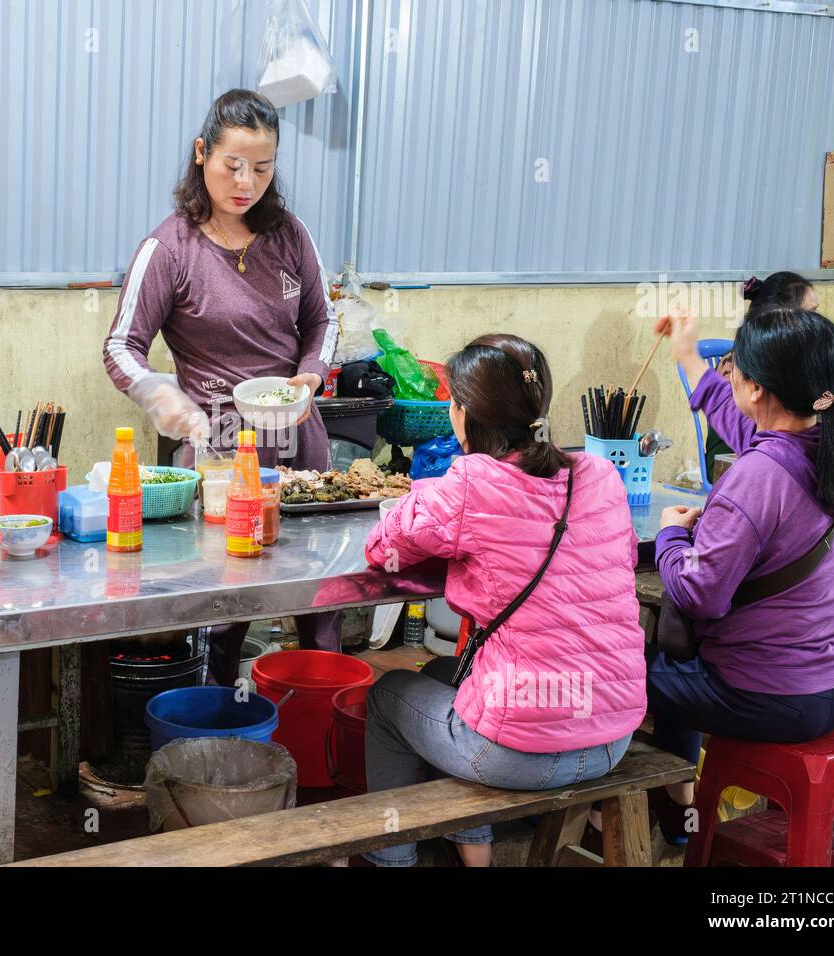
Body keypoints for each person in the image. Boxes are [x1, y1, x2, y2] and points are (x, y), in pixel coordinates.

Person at [360, 334, 646, 866]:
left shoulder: (470, 483)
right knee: (449, 674)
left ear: (464, 412)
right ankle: (474, 850)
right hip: (611, 738)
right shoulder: (600, 475)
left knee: (390, 692)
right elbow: (620, 556)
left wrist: (419, 495)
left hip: (520, 754)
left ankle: (391, 859)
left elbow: (383, 549)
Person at [102, 89, 340, 684]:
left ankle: (316, 727)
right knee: (223, 607)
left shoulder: (290, 235)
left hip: (299, 447)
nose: (246, 182)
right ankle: (214, 723)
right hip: (218, 450)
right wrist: (163, 397)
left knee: (318, 598)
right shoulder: (169, 247)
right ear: (201, 152)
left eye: (262, 168)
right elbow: (119, 346)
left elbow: (322, 319)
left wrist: (312, 371)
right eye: (233, 164)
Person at [646, 308, 834, 842]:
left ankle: (664, 816)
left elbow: (698, 595)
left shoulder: (758, 475)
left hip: (769, 698)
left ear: (759, 388)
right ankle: (682, 816)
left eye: (734, 369)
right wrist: (687, 356)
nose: (728, 377)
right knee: (679, 664)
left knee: (632, 674)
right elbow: (739, 419)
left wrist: (671, 536)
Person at [704, 273, 819, 462]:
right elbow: (751, 437)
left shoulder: (801, 361)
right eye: (811, 314)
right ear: (781, 318)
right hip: (730, 460)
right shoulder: (738, 367)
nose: (819, 323)